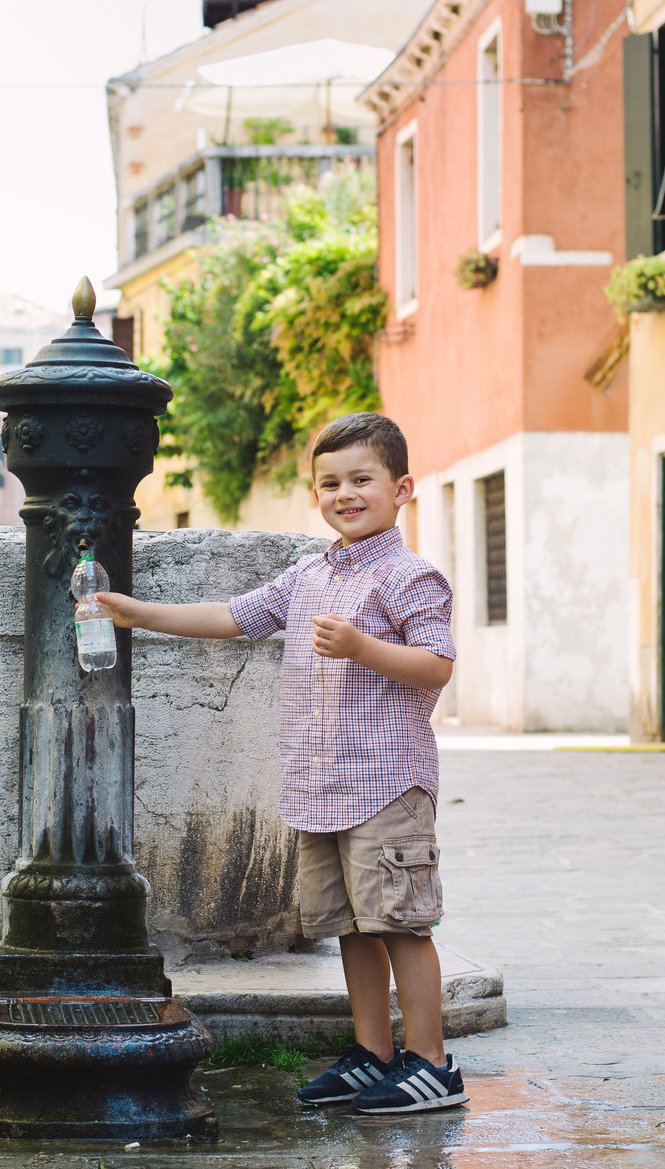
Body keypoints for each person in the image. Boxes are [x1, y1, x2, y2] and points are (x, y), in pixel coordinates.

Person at [96, 411, 464, 1114]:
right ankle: (372, 1053)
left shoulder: (412, 577)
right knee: (349, 927)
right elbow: (235, 617)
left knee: (400, 923)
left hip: (387, 783)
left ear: (401, 489)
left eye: (362, 479)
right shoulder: (308, 575)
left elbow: (436, 664)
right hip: (321, 786)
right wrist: (140, 614)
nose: (345, 494)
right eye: (330, 483)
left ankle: (431, 1063)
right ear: (315, 493)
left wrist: (361, 648)